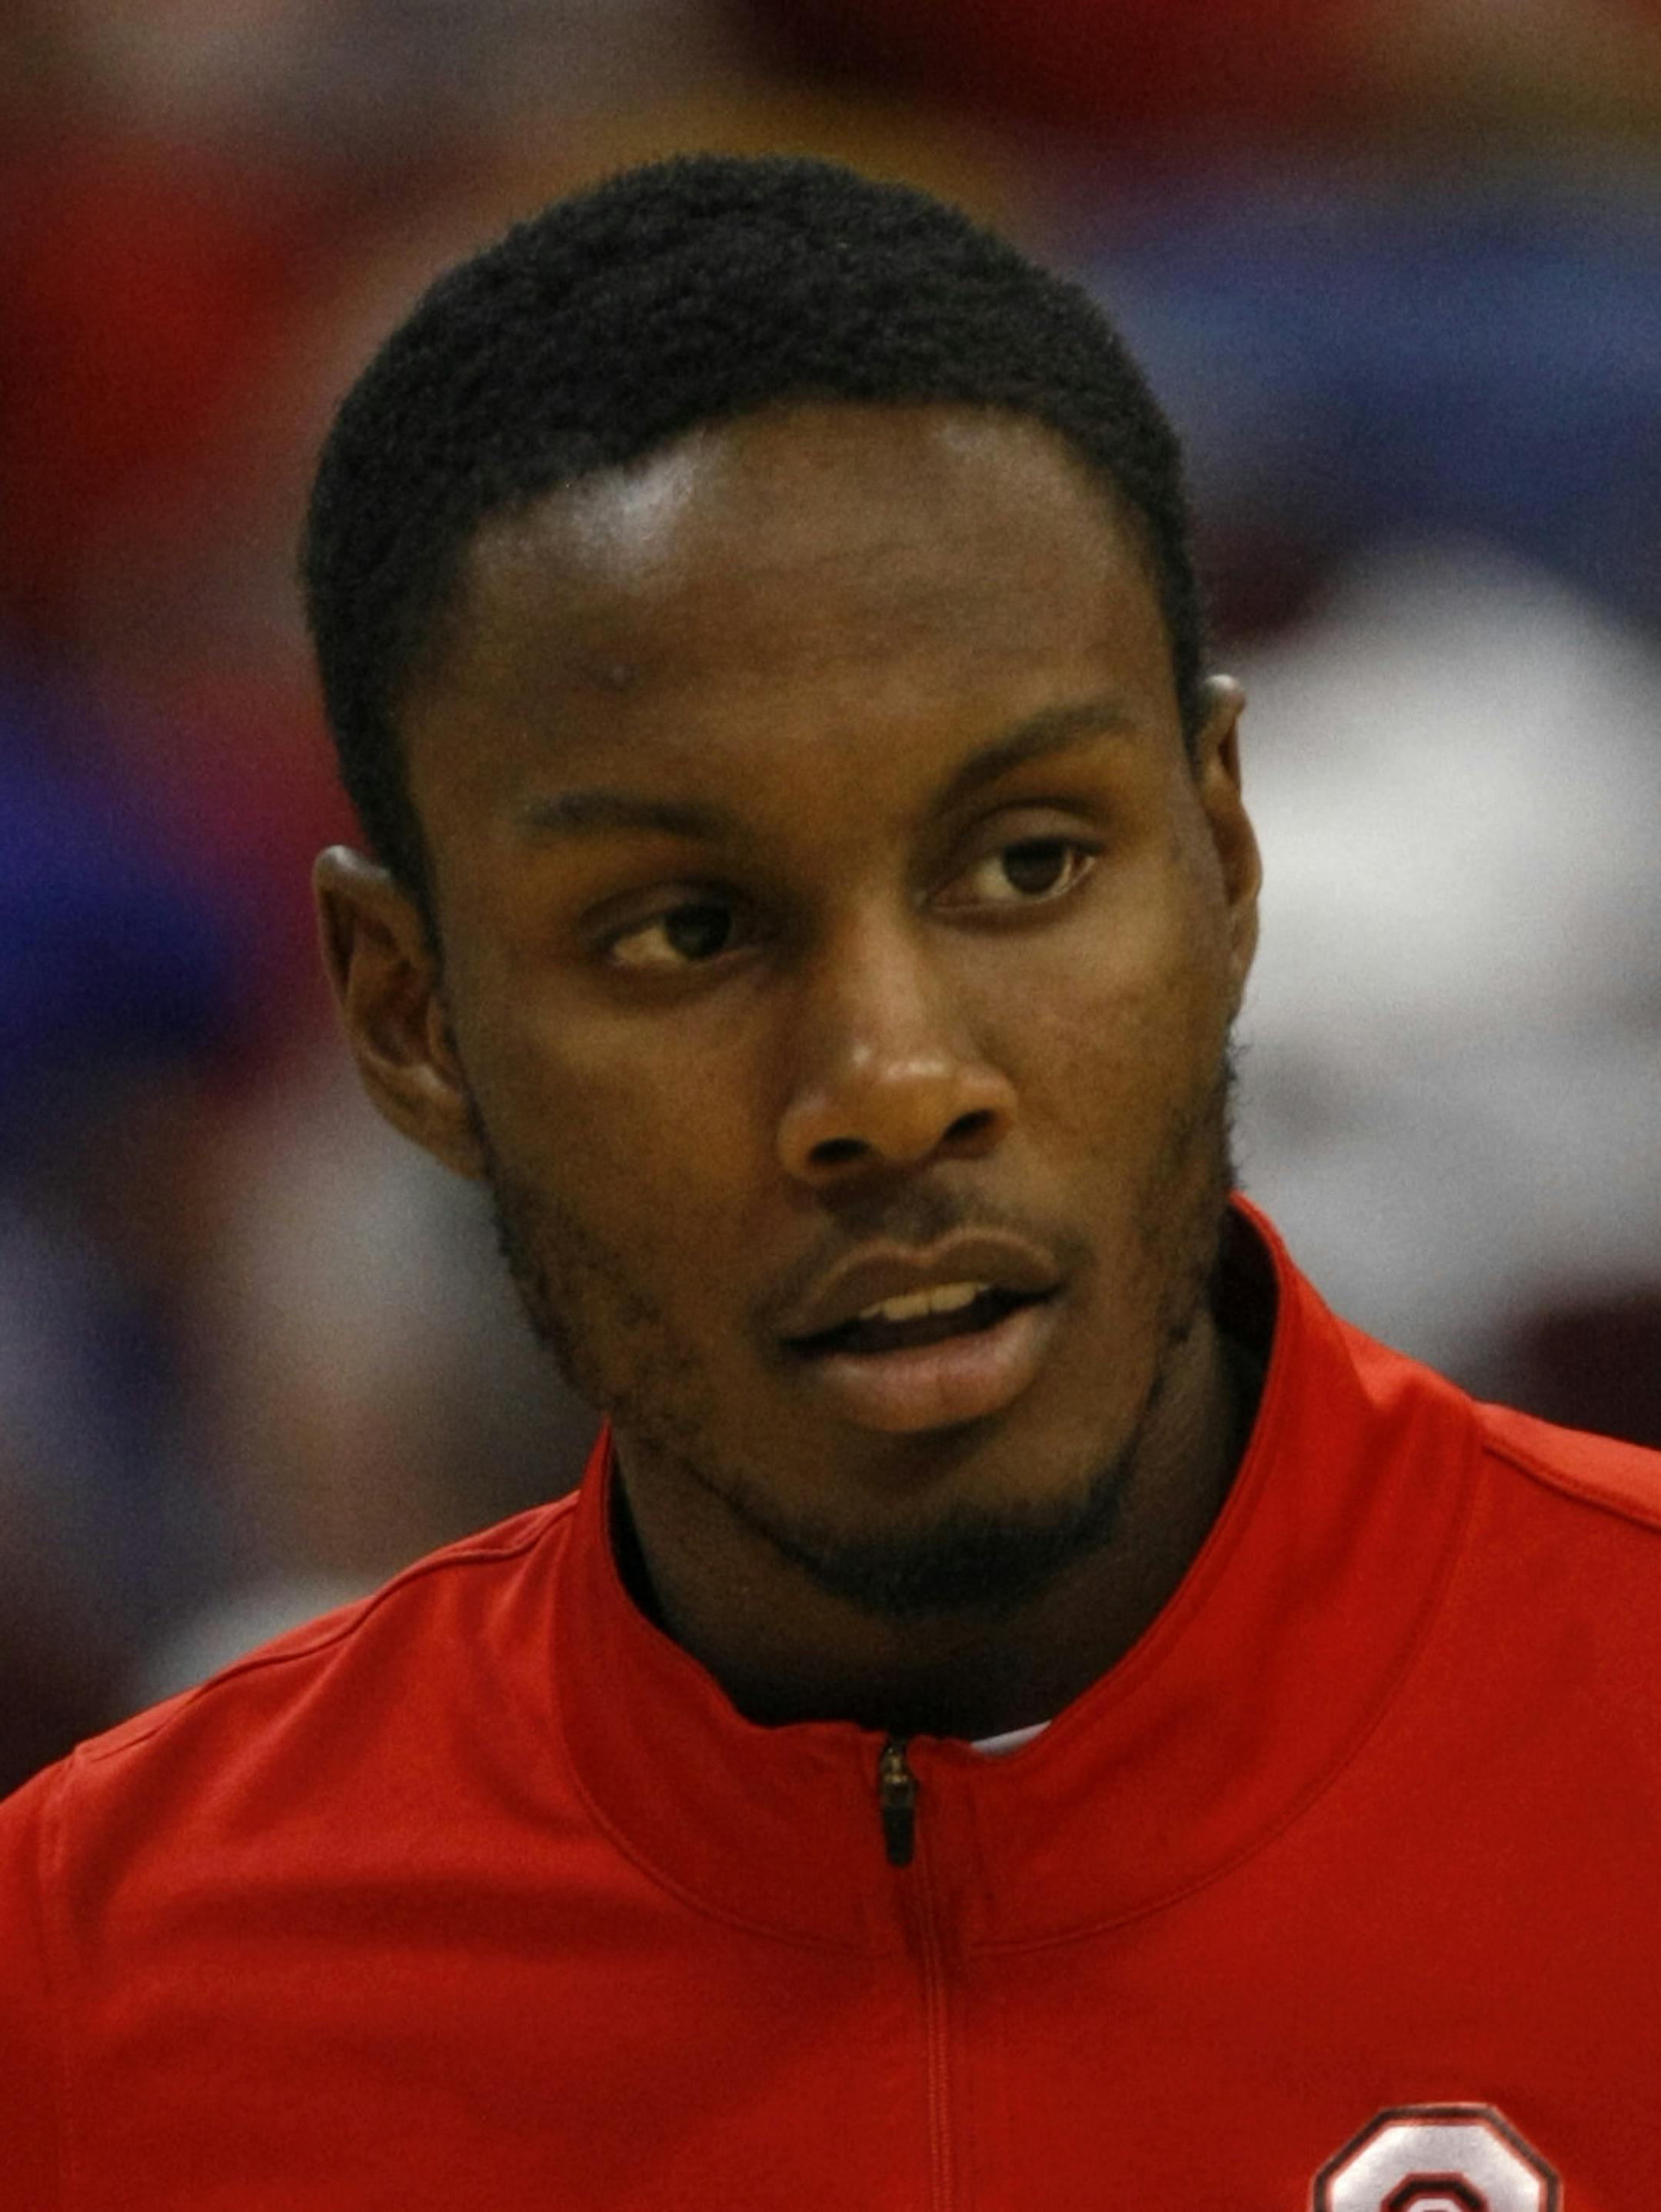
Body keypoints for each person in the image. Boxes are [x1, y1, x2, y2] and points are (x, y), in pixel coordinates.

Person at [2, 152, 1656, 2210]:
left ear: (1227, 859)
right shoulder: (96, 1989)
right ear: (411, 1019)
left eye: (1029, 862)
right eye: (686, 930)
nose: (890, 1084)